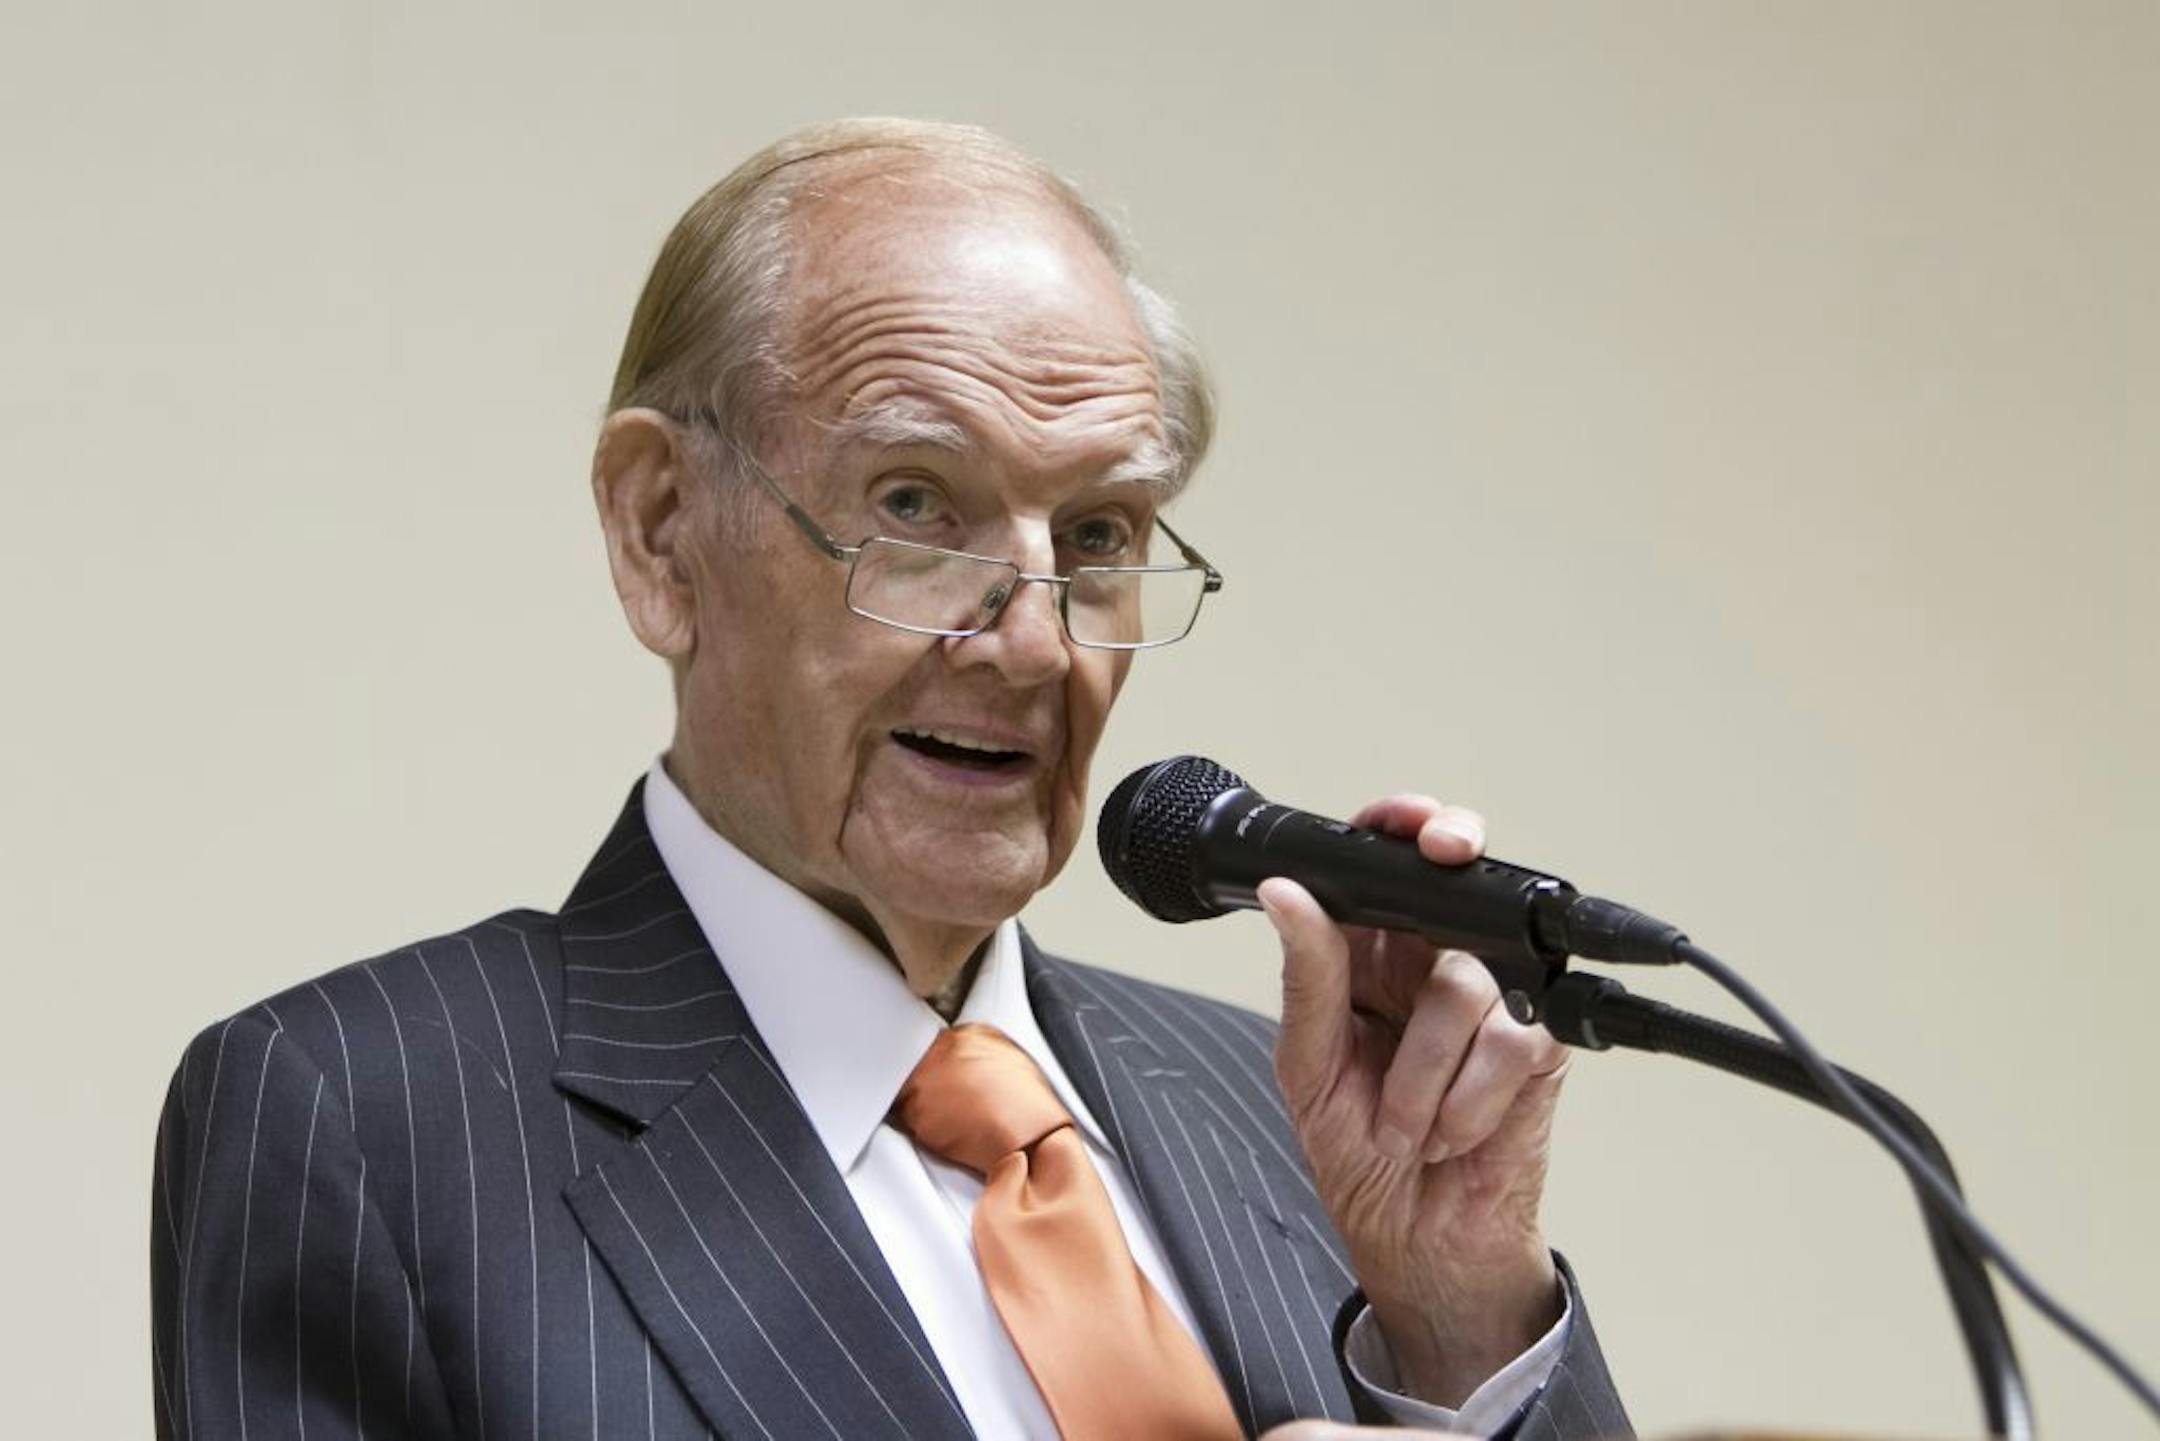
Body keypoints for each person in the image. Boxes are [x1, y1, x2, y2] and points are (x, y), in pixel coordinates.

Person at [152, 118, 1631, 1440]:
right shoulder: (362, 1113)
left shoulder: (1284, 1110)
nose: (1038, 645)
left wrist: (1455, 1316)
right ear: (664, 532)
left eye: (1102, 534)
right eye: (919, 507)